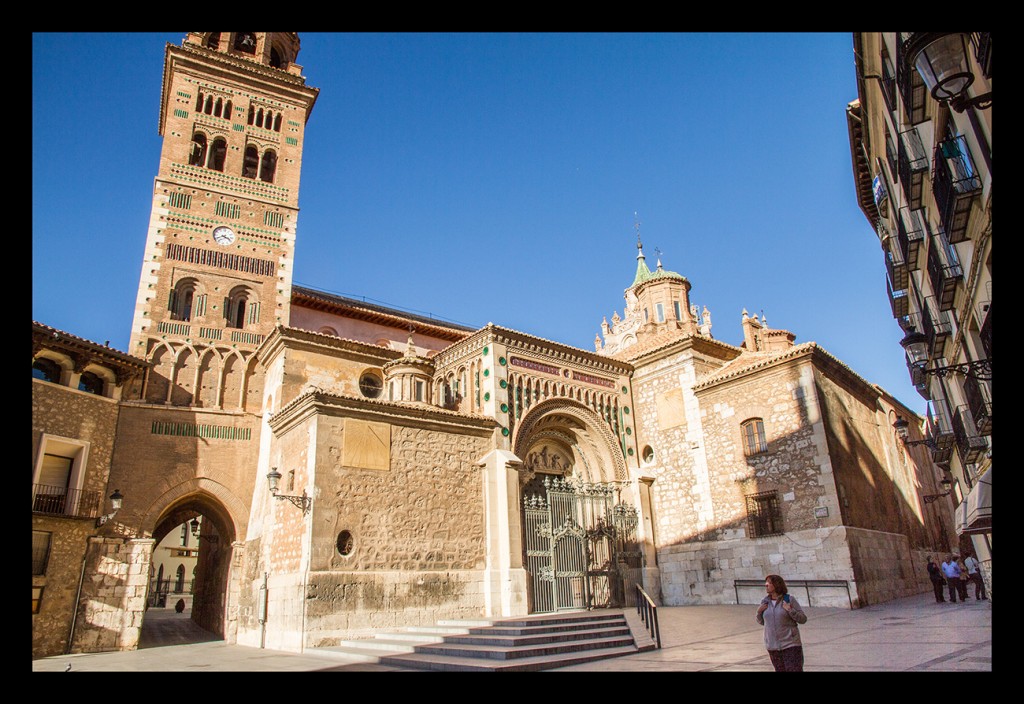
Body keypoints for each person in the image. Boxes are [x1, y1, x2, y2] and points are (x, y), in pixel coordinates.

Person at [756, 574, 808, 671]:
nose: (766, 585)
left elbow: (803, 619)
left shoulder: (789, 600)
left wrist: (790, 610)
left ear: (777, 585)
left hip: (790, 645)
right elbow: (762, 622)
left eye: (769, 583)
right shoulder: (765, 602)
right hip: (773, 646)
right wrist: (759, 612)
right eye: (766, 583)